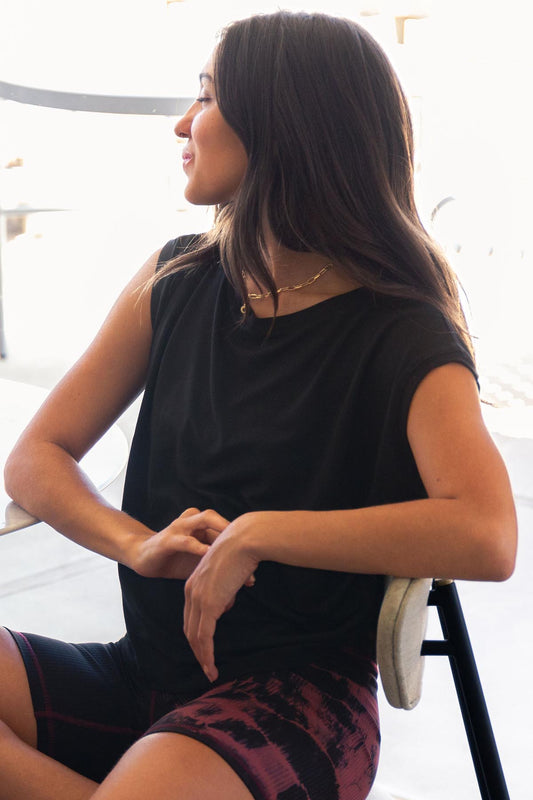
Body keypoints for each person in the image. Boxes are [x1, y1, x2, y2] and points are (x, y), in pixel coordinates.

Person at [0, 10, 517, 800]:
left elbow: (486, 534)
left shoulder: (400, 328)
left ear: (283, 125)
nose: (182, 122)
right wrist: (135, 546)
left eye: (205, 99)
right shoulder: (176, 279)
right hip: (148, 675)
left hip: (299, 703)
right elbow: (36, 458)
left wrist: (259, 536)